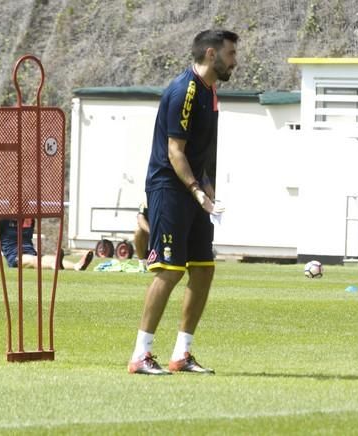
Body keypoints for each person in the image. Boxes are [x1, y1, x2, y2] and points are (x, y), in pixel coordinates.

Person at [127, 29, 237, 376]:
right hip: (170, 189)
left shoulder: (211, 91)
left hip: (193, 189)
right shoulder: (185, 90)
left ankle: (182, 354)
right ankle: (140, 355)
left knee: (203, 270)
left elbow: (202, 151)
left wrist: (209, 188)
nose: (235, 60)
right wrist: (196, 189)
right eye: (230, 53)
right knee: (169, 271)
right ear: (210, 54)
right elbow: (175, 151)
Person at [0, 218, 93, 271]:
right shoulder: (2, 220)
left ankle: (77, 266)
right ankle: (55, 266)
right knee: (33, 260)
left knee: (49, 258)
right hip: (15, 256)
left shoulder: (30, 219)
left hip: (31, 252)